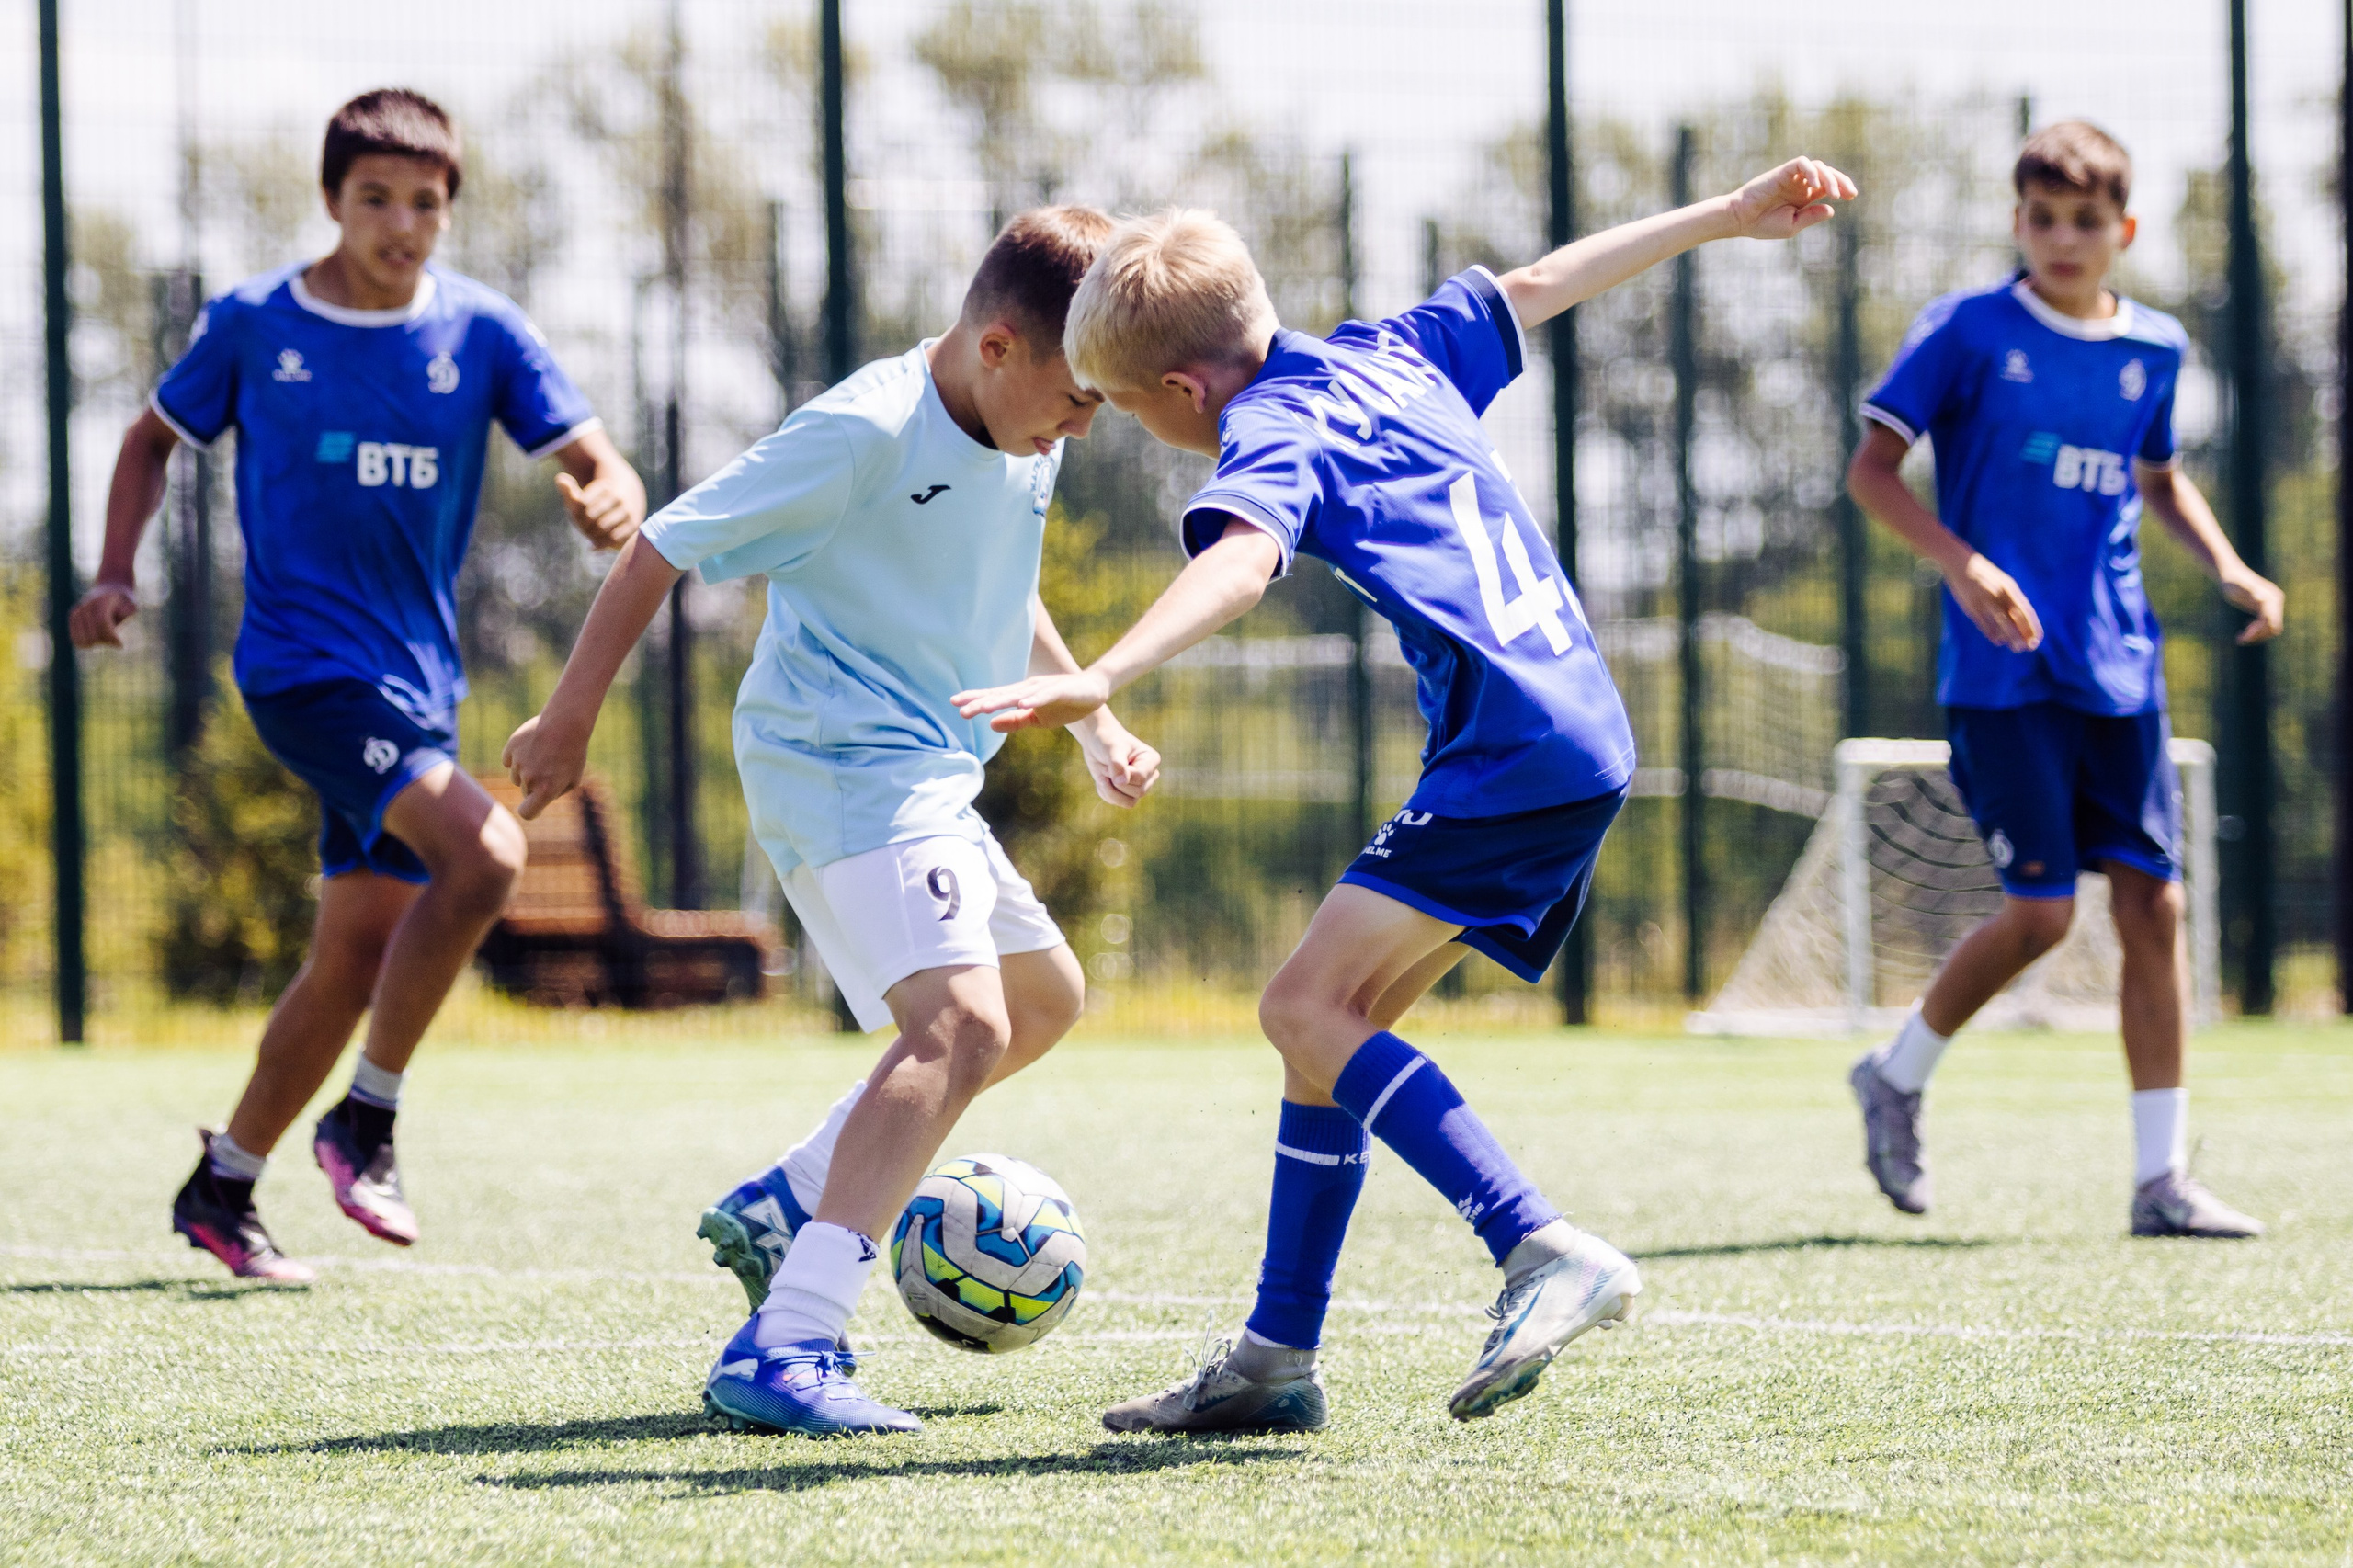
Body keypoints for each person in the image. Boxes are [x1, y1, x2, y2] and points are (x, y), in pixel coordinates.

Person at [953, 158, 1859, 1430]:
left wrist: (1103, 674)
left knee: (1300, 1004)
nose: (1128, 428)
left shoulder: (1272, 427)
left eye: (1127, 407)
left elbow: (1242, 563)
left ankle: (1538, 1243)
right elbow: (1538, 284)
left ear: (1185, 390)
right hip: (1575, 728)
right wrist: (1727, 215)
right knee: (1334, 1027)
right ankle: (1274, 1358)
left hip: (1513, 748)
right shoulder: (1388, 354)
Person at [503, 207, 1161, 1437]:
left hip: (928, 769)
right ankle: (791, 1338)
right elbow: (659, 547)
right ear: (999, 346)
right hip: (839, 759)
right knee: (961, 1024)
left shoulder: (1025, 424)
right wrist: (570, 718)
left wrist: (1092, 719)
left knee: (1042, 998)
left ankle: (790, 1198)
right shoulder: (863, 430)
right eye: (1079, 398)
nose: (1086, 425)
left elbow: (999, 584)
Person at [66, 89, 643, 1284]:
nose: (401, 223)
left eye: (425, 202)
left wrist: (611, 497)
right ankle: (366, 1119)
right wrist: (116, 570)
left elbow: (600, 459)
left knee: (354, 955)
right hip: (303, 670)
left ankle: (225, 1182)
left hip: (417, 688)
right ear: (331, 199)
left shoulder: (482, 332)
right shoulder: (255, 324)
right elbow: (147, 439)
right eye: (375, 198)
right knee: (486, 855)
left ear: (449, 213)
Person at [1842, 122, 2279, 1239]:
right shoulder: (1969, 331)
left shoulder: (2155, 348)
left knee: (2153, 903)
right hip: (2002, 674)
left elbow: (2157, 477)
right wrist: (1962, 562)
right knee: (2040, 914)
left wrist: (2228, 564)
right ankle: (1894, 1074)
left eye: (2085, 220)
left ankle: (2160, 1179)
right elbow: (1873, 470)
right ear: (2017, 222)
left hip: (2119, 668)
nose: (2063, 238)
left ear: (2121, 229)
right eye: (2042, 218)